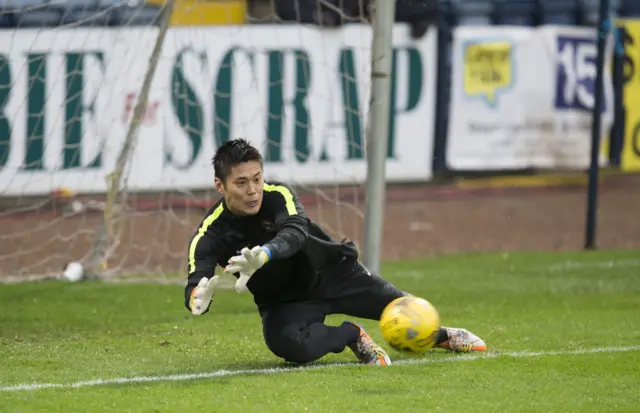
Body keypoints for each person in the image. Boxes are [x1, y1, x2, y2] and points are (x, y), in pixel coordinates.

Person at [184, 138, 486, 366]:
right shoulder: (210, 233)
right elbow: (197, 279)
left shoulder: (278, 196)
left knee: (407, 313)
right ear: (219, 186)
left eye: (257, 178)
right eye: (241, 182)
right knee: (286, 345)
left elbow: (295, 232)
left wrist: (265, 254)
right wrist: (198, 298)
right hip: (286, 302)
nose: (253, 190)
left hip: (334, 273)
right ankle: (351, 335)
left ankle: (443, 335)